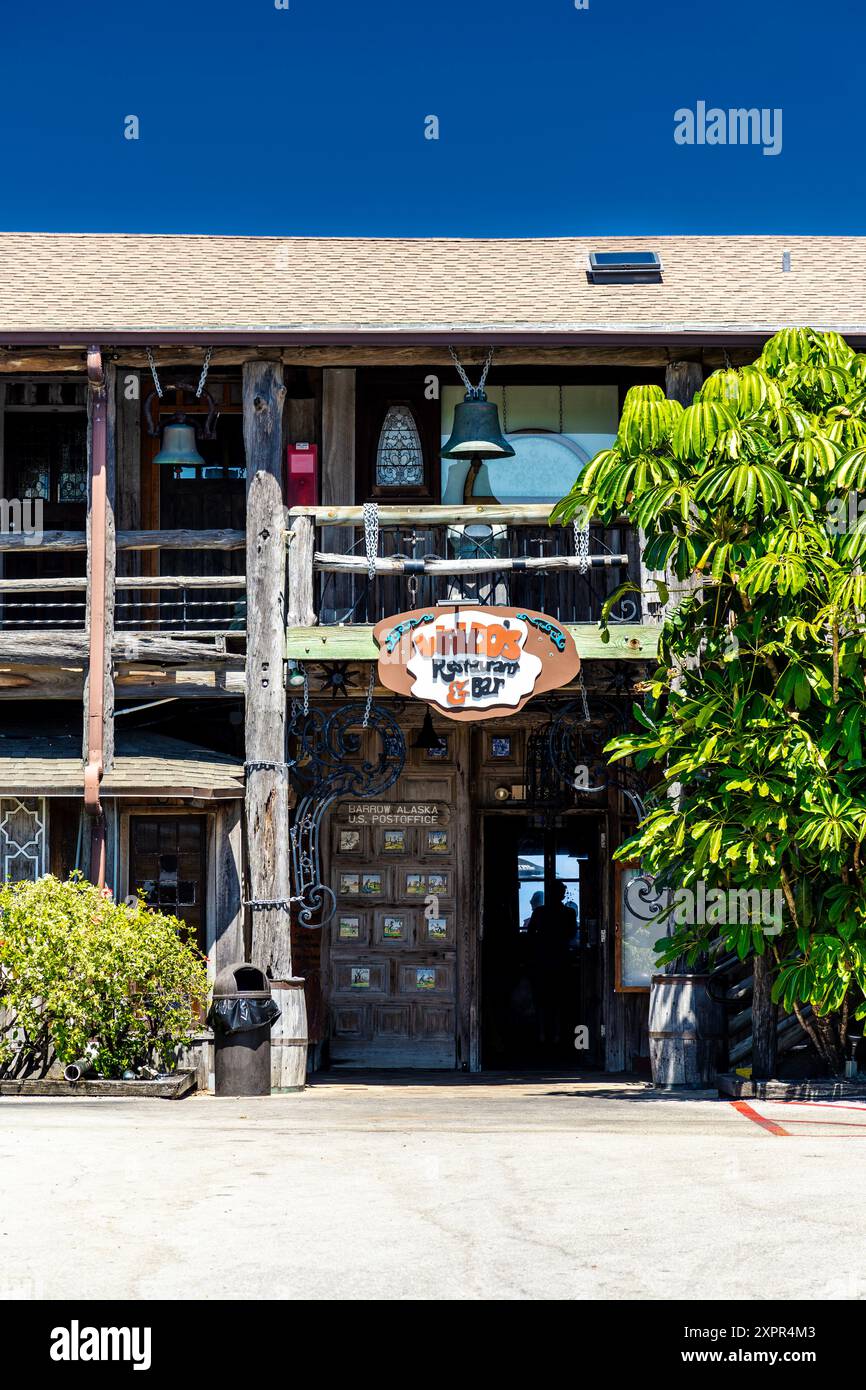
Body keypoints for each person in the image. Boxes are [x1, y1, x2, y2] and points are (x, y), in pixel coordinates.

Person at [527, 881, 577, 1049]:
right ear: (562, 895)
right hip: (561, 958)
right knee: (558, 999)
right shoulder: (569, 913)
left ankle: (541, 1034)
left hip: (542, 959)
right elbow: (572, 935)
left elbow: (530, 934)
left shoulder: (539, 912)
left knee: (541, 999)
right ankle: (557, 1034)